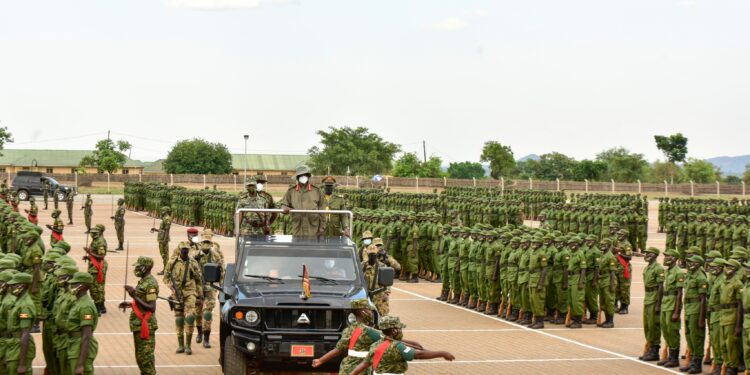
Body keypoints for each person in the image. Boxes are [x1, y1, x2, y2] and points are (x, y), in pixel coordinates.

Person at [350, 315, 455, 375]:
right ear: (394, 330)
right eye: (399, 328)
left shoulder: (375, 345)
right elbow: (418, 355)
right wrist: (443, 353)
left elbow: (364, 364)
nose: (401, 331)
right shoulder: (397, 347)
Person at [312, 299, 382, 374]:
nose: (371, 313)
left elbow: (338, 350)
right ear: (363, 312)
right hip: (360, 371)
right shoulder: (369, 331)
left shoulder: (348, 330)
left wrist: (320, 360)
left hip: (346, 368)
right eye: (369, 310)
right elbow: (389, 339)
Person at [119, 256, 159, 375]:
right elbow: (143, 301)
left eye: (138, 266)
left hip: (146, 325)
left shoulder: (151, 284)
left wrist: (134, 295)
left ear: (146, 267)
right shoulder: (143, 281)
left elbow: (151, 307)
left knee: (146, 360)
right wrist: (131, 304)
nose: (136, 269)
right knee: (141, 359)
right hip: (139, 324)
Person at [164, 242, 203, 355]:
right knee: (179, 319)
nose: (185, 251)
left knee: (190, 317)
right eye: (183, 249)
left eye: (187, 249)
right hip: (177, 293)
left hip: (190, 292)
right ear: (179, 250)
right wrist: (172, 288)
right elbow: (166, 278)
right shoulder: (172, 262)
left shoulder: (193, 263)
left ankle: (188, 346)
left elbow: (198, 280)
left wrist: (200, 296)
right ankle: (180, 345)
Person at [193, 232, 224, 348]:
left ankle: (206, 338)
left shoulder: (216, 255)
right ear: (201, 244)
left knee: (207, 313)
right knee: (197, 312)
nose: (206, 245)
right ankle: (199, 332)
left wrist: (221, 287)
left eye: (208, 243)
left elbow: (222, 271)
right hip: (198, 287)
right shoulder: (194, 256)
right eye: (204, 242)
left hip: (211, 287)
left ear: (211, 244)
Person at [65, 271, 99, 375]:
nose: (71, 286)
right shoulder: (79, 301)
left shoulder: (85, 306)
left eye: (74, 284)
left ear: (82, 286)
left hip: (80, 346)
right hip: (75, 344)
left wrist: (80, 364)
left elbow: (87, 336)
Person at [279, 165, 325, 236]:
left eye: (305, 175)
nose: (303, 177)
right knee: (297, 245)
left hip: (313, 227)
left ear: (308, 176)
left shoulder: (317, 191)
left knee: (312, 245)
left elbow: (322, 210)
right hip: (297, 226)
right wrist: (284, 208)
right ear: (297, 177)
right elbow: (284, 205)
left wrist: (322, 227)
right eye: (301, 175)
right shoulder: (291, 191)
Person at [5, 272, 36, 375]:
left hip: (20, 347)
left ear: (22, 286)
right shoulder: (18, 301)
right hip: (14, 345)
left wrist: (22, 363)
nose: (11, 287)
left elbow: (25, 333)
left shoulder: (25, 305)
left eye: (14, 285)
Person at [657, 249, 684, 368]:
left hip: (673, 303)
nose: (665, 258)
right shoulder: (667, 271)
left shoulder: (678, 272)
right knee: (665, 329)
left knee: (672, 330)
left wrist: (677, 311)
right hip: (665, 302)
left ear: (674, 258)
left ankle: (674, 358)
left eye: (668, 256)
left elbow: (679, 293)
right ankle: (669, 356)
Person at [681, 255, 708, 374]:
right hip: (688, 308)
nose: (689, 263)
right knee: (689, 335)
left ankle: (697, 364)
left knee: (696, 337)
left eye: (692, 262)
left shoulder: (701, 277)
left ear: (698, 264)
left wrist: (702, 318)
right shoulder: (690, 275)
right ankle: (692, 360)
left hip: (696, 309)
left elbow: (703, 299)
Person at [639, 247, 664, 361]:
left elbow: (661, 287)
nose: (647, 255)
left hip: (654, 298)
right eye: (646, 253)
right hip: (648, 297)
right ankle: (649, 347)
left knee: (654, 325)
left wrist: (659, 304)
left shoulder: (658, 268)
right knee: (647, 325)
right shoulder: (647, 268)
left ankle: (654, 351)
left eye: (649, 253)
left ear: (655, 255)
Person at [84, 225, 108, 315]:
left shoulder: (100, 242)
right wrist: (88, 256)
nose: (92, 235)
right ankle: (101, 306)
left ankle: (98, 306)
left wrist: (89, 252)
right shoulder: (96, 240)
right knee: (99, 287)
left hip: (97, 266)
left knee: (95, 287)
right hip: (94, 264)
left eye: (95, 233)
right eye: (92, 233)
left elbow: (101, 256)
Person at [151, 206, 172, 275]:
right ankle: (166, 268)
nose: (161, 212)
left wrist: (165, 239)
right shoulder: (164, 218)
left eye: (162, 211)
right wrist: (155, 229)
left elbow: (167, 230)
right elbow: (162, 230)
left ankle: (166, 270)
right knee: (163, 254)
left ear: (165, 211)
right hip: (161, 238)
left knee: (165, 255)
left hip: (163, 239)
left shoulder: (167, 219)